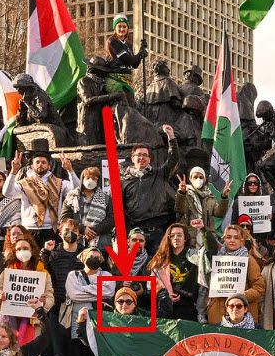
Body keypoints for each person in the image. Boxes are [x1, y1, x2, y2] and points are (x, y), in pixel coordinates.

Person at [37, 216, 85, 356]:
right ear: (59, 233)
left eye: (73, 230)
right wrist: (45, 253)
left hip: (78, 308)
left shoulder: (84, 255)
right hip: (57, 308)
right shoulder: (53, 255)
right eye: (66, 230)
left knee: (78, 350)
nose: (69, 233)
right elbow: (44, 275)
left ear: (79, 234)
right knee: (58, 351)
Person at [120, 126, 180, 255]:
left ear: (149, 159)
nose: (141, 158)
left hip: (158, 231)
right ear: (132, 158)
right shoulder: (124, 182)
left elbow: (173, 158)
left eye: (145, 155)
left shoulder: (160, 174)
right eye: (138, 155)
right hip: (134, 232)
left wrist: (171, 136)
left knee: (157, 267)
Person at [61, 246, 108, 356]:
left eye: (97, 255)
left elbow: (109, 292)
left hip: (100, 320)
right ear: (83, 258)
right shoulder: (73, 275)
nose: (94, 258)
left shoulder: (106, 274)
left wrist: (84, 290)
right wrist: (96, 290)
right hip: (79, 320)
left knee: (99, 354)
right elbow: (74, 294)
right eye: (91, 255)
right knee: (82, 354)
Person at [0, 235, 54, 347]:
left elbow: (50, 297)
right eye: (18, 249)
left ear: (32, 250)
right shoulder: (7, 273)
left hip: (33, 322)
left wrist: (43, 302)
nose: (22, 251)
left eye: (25, 248)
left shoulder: (43, 273)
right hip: (7, 323)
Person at [206, 224, 266, 325]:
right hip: (218, 315)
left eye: (236, 237)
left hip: (242, 316)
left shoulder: (249, 260)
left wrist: (241, 297)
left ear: (242, 240)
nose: (232, 240)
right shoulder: (217, 259)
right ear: (224, 239)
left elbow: (259, 287)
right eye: (229, 237)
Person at [148, 222, 203, 321]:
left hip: (188, 307)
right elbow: (151, 285)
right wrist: (166, 295)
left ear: (185, 238)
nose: (176, 238)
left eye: (179, 235)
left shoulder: (194, 257)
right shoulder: (160, 259)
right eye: (172, 235)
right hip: (166, 307)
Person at [64, 164, 112, 248]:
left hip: (100, 242)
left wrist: (95, 230)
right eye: (88, 178)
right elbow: (65, 218)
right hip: (75, 241)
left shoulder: (106, 198)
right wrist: (82, 229)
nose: (91, 180)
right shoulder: (71, 197)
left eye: (94, 178)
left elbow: (111, 218)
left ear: (98, 181)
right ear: (82, 179)